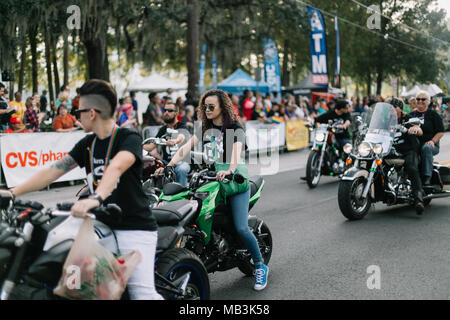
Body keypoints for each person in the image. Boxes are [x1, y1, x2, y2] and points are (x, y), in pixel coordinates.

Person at [0, 79, 163, 300]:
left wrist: (96, 197)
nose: (77, 115)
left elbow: (116, 167)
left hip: (133, 225)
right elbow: (52, 172)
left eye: (79, 110)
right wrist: (12, 193)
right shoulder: (87, 143)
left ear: (92, 113)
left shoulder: (128, 138)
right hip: (98, 222)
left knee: (141, 294)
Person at [164, 89, 269, 291]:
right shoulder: (204, 128)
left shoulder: (235, 128)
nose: (207, 109)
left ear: (223, 107)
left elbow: (236, 154)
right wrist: (169, 165)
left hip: (235, 181)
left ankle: (259, 265)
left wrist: (229, 170)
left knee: (241, 227)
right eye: (205, 106)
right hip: (214, 180)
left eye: (212, 106)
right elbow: (184, 149)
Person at [391, 98, 424, 214]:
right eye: (390, 107)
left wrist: (414, 129)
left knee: (411, 168)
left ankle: (418, 200)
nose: (392, 110)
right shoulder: (385, 121)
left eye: (394, 107)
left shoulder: (408, 118)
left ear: (400, 108)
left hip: (408, 150)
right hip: (390, 151)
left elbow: (418, 128)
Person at [146, 100, 190, 187]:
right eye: (165, 110)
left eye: (170, 111)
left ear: (176, 113)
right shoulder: (163, 129)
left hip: (181, 161)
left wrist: (175, 141)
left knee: (181, 169)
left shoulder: (182, 126)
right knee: (149, 167)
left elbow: (182, 136)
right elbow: (151, 146)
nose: (166, 113)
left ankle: (182, 196)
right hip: (166, 162)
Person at [408, 91, 444, 186]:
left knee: (426, 148)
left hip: (431, 144)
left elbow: (440, 132)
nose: (420, 101)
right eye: (418, 99)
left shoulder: (433, 115)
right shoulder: (411, 115)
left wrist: (433, 141)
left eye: (423, 99)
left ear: (428, 101)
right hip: (414, 144)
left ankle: (427, 177)